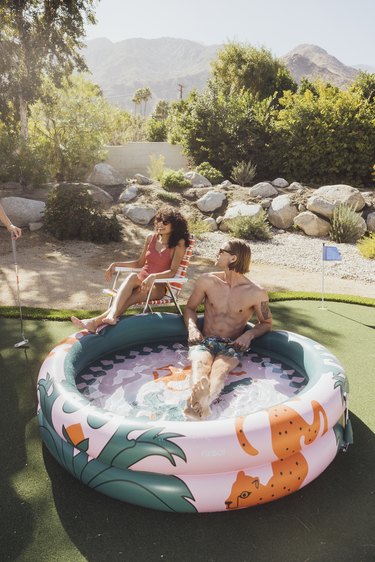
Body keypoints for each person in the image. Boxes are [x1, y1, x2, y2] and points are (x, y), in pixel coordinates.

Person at [183, 238, 272, 420]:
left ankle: (200, 403)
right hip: (205, 340)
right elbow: (190, 308)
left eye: (221, 250)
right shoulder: (207, 281)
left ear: (233, 258)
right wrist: (192, 328)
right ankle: (200, 404)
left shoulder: (256, 292)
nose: (217, 253)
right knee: (201, 364)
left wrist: (249, 335)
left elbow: (267, 322)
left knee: (220, 371)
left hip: (232, 345)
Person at [71, 206, 190, 333]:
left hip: (157, 286)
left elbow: (172, 271)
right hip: (139, 281)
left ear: (175, 224)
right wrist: (115, 264)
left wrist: (153, 277)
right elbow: (139, 263)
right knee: (132, 276)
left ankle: (96, 321)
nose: (160, 224)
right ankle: (107, 318)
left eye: (165, 222)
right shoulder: (151, 238)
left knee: (129, 297)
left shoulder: (179, 243)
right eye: (159, 220)